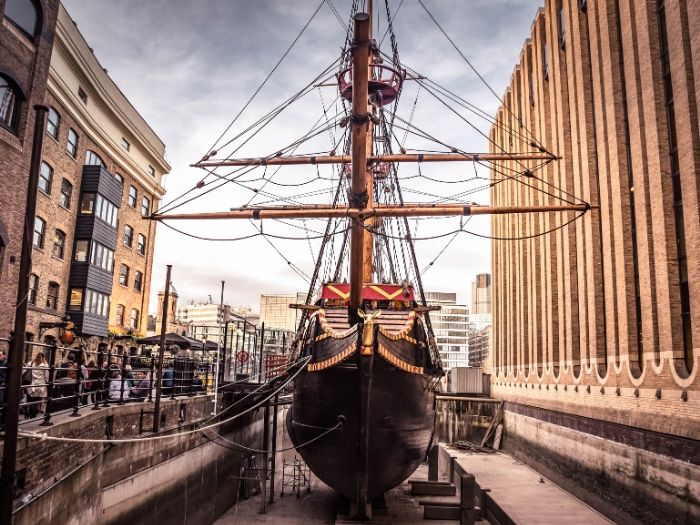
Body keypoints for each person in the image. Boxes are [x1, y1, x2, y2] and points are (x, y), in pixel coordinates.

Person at [25, 353, 49, 417]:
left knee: (29, 400)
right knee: (36, 401)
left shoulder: (30, 363)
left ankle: (28, 414)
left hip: (30, 385)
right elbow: (47, 377)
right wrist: (48, 383)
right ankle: (33, 415)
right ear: (43, 358)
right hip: (40, 386)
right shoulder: (45, 365)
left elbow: (24, 372)